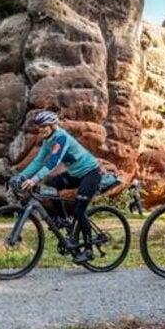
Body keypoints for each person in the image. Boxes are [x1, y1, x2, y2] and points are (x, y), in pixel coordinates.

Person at [18, 110, 102, 263]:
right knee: (51, 185)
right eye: (39, 127)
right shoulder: (47, 141)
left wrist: (35, 179)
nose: (41, 129)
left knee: (79, 210)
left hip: (91, 173)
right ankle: (63, 219)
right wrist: (21, 177)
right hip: (76, 174)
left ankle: (89, 250)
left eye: (44, 126)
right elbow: (38, 161)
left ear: (52, 125)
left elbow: (53, 162)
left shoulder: (61, 137)